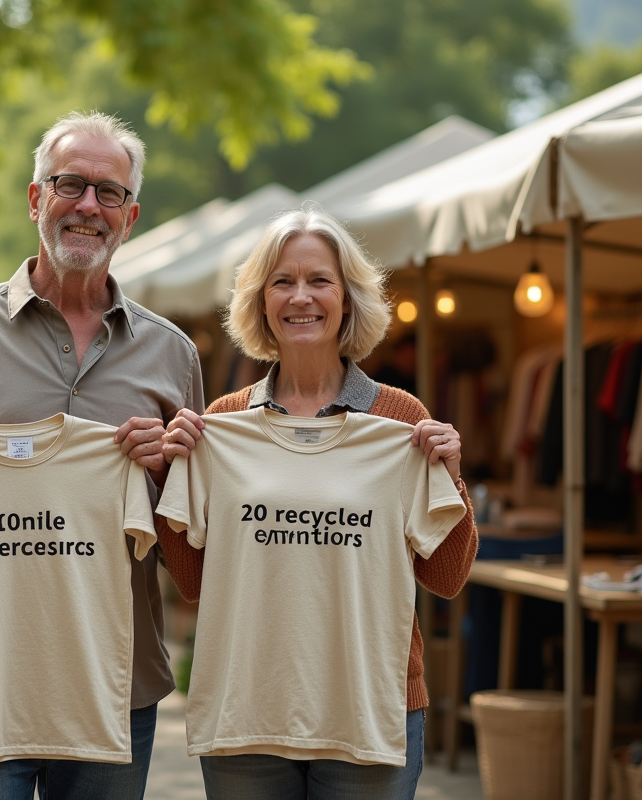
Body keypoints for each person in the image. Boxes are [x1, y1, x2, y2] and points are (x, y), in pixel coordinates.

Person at [0, 111, 203, 799]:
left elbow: (194, 531)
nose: (88, 206)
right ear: (34, 199)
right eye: (69, 184)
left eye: (107, 193)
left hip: (117, 678)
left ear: (130, 215)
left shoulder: (173, 355)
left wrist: (167, 472)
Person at [160, 207, 479, 799]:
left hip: (372, 711)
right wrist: (169, 476)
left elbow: (447, 577)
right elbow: (192, 581)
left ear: (348, 298)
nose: (300, 297)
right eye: (281, 281)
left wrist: (453, 482)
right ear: (260, 302)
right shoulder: (222, 425)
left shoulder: (401, 420)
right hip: (245, 716)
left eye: (319, 280)